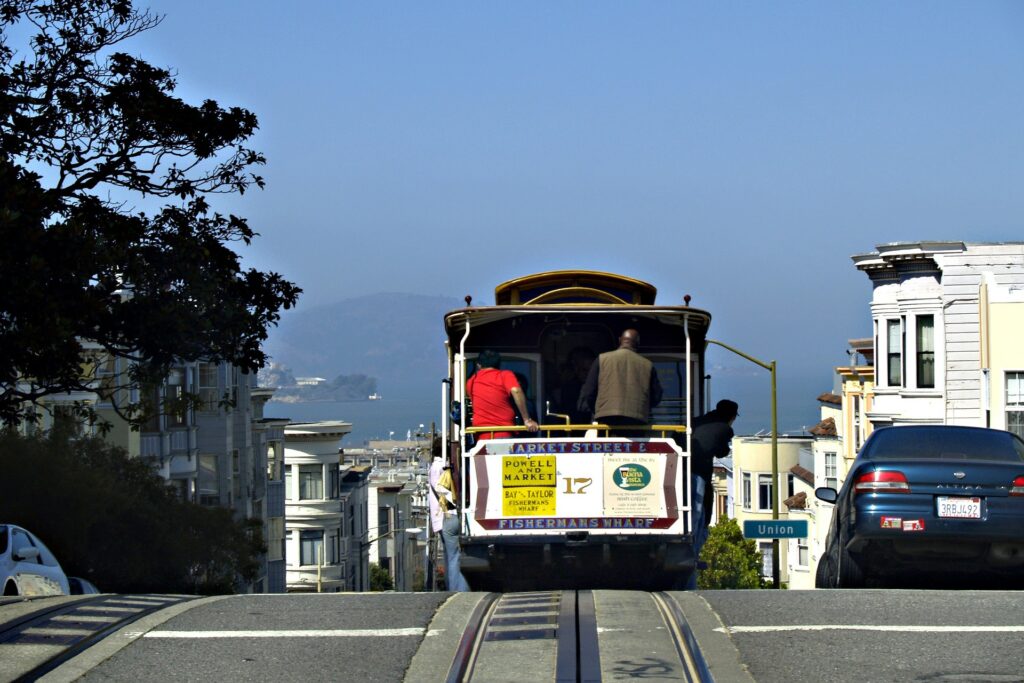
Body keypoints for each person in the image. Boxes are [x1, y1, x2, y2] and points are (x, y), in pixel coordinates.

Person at [686, 399, 738, 589]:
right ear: (731, 417)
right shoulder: (725, 429)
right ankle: (692, 549)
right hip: (699, 471)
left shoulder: (698, 420)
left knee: (691, 505)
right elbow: (722, 451)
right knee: (698, 509)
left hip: (682, 465)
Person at [576, 329, 662, 433]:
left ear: (620, 340)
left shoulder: (602, 359)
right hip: (636, 422)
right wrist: (641, 409)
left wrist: (599, 411)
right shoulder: (648, 365)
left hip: (606, 421)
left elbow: (589, 392)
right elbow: (656, 396)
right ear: (637, 343)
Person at [466, 350, 539, 439]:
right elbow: (516, 391)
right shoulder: (505, 375)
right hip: (504, 432)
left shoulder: (471, 381)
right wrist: (527, 420)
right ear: (499, 364)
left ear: (478, 365)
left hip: (481, 435)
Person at [429, 455, 469, 592]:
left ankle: (457, 591)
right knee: (454, 557)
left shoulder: (440, 468)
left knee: (452, 557)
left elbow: (439, 488)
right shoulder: (443, 466)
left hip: (448, 516)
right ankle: (459, 590)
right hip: (452, 515)